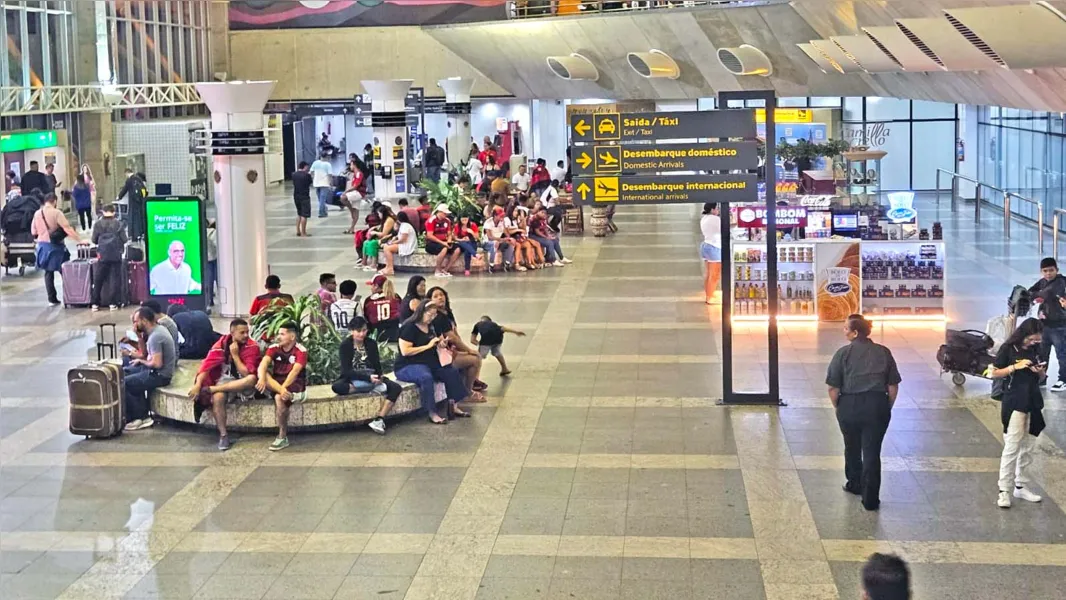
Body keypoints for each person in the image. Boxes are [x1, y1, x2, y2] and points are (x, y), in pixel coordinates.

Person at [825, 314, 901, 511]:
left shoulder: (843, 354)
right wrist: (886, 406)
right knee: (872, 451)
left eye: (845, 329)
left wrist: (839, 407)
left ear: (855, 332)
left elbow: (833, 387)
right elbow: (892, 385)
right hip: (877, 404)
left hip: (849, 405)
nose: (844, 331)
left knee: (851, 446)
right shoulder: (883, 352)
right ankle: (871, 499)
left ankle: (854, 483)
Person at [987, 317, 1047, 508]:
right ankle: (1004, 490)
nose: (1033, 343)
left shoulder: (1036, 349)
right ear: (1024, 335)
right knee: (1012, 446)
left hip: (1033, 401)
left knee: (1028, 446)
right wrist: (1014, 367)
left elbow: (1042, 376)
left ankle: (1020, 485)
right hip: (1015, 401)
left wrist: (1039, 371)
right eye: (1031, 340)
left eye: (1036, 341)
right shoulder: (1008, 349)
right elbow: (992, 373)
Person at [188, 318, 261, 451]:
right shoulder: (221, 343)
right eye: (242, 333)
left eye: (247, 332)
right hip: (226, 380)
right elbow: (206, 366)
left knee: (251, 379)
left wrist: (235, 356)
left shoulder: (252, 346)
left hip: (243, 383)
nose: (246, 335)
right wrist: (198, 385)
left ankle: (213, 389)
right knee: (217, 398)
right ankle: (223, 435)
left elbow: (246, 373)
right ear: (232, 333)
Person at [395, 299, 471, 424]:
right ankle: (431, 412)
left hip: (430, 362)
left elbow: (437, 340)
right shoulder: (409, 327)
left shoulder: (431, 326)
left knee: (451, 372)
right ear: (421, 312)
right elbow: (405, 351)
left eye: (434, 315)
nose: (431, 318)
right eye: (429, 315)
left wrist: (441, 344)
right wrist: (428, 346)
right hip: (409, 364)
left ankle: (454, 404)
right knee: (426, 377)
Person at [332, 316, 404, 435]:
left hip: (371, 375)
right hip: (354, 377)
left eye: (364, 330)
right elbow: (346, 370)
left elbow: (376, 364)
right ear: (352, 331)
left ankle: (379, 419)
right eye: (358, 331)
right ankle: (368, 388)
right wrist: (367, 379)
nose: (361, 334)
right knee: (337, 387)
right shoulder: (345, 345)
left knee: (396, 388)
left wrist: (379, 376)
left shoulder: (371, 343)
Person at [123, 307, 177, 431]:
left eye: (136, 321)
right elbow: (145, 354)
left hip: (160, 375)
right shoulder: (155, 331)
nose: (134, 325)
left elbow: (157, 364)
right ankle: (141, 411)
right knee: (125, 372)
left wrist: (141, 361)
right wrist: (138, 336)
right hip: (154, 370)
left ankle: (139, 417)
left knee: (125, 383)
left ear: (145, 320)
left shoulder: (156, 337)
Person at [257, 322, 308, 451]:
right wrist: (262, 378)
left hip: (293, 383)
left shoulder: (301, 350)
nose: (278, 337)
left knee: (279, 398)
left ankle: (282, 436)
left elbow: (295, 372)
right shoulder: (274, 348)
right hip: (277, 383)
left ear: (292, 337)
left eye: (282, 334)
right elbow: (263, 363)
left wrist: (282, 389)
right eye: (278, 333)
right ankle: (289, 395)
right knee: (264, 374)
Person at [427, 286, 486, 398]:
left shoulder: (447, 313)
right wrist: (468, 350)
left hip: (451, 351)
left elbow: (456, 335)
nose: (440, 297)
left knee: (474, 356)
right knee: (475, 360)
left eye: (441, 294)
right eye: (435, 296)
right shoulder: (438, 317)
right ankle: (467, 392)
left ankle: (470, 384)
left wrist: (465, 350)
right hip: (442, 357)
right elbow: (452, 338)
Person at [31, 192, 81, 306]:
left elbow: (33, 232)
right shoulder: (57, 212)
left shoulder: (37, 213)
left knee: (48, 273)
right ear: (55, 201)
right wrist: (79, 240)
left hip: (43, 246)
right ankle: (72, 297)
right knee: (65, 271)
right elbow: (67, 228)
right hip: (56, 247)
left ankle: (52, 299)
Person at [1028, 257, 1066, 391]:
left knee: (1062, 353)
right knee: (1042, 353)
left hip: (1059, 326)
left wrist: (1035, 296)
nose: (1048, 273)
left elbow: (1046, 294)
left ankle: (1063, 379)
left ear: (1057, 270)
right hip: (1044, 325)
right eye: (1045, 271)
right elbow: (1031, 291)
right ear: (1041, 272)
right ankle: (1042, 377)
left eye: (1051, 270)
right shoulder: (1043, 281)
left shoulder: (1060, 282)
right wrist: (1032, 295)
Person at [90, 204, 128, 312]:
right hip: (116, 255)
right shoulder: (118, 224)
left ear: (103, 212)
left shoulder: (98, 224)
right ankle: (113, 303)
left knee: (98, 279)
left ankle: (95, 303)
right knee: (114, 279)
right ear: (114, 212)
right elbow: (124, 240)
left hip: (102, 255)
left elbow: (94, 240)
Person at [425, 204, 462, 278]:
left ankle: (446, 269)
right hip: (432, 243)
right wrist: (443, 243)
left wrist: (449, 240)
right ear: (439, 212)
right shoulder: (431, 221)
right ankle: (437, 270)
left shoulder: (447, 221)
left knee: (457, 249)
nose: (446, 215)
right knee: (444, 249)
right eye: (444, 213)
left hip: (445, 241)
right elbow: (429, 235)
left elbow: (449, 233)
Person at [363, 274, 401, 342]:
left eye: (372, 285)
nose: (371, 288)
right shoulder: (396, 297)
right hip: (395, 335)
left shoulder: (369, 300)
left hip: (376, 337)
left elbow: (366, 318)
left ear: (376, 286)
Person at [379, 211, 418, 276]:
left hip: (407, 246)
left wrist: (393, 242)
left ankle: (390, 269)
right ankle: (387, 266)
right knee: (385, 246)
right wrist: (395, 238)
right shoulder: (404, 225)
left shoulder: (405, 226)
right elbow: (400, 235)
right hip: (404, 244)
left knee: (387, 249)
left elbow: (403, 239)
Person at [361, 204, 396, 271]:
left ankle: (374, 264)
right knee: (366, 242)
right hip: (383, 238)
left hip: (388, 238)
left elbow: (384, 234)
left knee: (373, 243)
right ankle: (364, 261)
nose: (379, 216)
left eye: (379, 214)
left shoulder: (389, 220)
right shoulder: (384, 220)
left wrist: (374, 233)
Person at [700, 202, 722, 305]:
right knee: (715, 275)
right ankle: (710, 297)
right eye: (717, 208)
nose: (718, 211)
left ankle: (709, 294)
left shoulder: (704, 218)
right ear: (712, 209)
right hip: (715, 247)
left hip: (706, 246)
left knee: (709, 273)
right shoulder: (715, 219)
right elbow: (724, 228)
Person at [481, 206, 516, 272]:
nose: (502, 218)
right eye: (500, 216)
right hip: (487, 243)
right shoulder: (488, 223)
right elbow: (490, 238)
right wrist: (502, 240)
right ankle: (491, 265)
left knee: (510, 244)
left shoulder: (502, 222)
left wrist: (510, 239)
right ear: (495, 216)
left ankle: (507, 264)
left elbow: (506, 233)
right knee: (494, 243)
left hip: (498, 241)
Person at [117, 169, 147, 240]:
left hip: (133, 202)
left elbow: (124, 189)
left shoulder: (129, 180)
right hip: (140, 201)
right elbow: (144, 190)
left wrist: (119, 196)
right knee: (139, 217)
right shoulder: (139, 179)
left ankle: (134, 234)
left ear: (127, 173)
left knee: (133, 218)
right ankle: (141, 233)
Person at [292, 161, 313, 237]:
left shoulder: (294, 175)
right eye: (307, 167)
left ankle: (298, 230)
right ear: (304, 166)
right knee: (304, 215)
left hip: (296, 196)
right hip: (305, 196)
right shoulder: (307, 175)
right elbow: (310, 183)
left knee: (299, 213)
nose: (308, 168)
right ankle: (303, 232)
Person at [310, 153, 333, 219]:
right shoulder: (328, 164)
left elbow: (311, 172)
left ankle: (324, 210)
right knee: (322, 199)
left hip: (316, 183)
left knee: (320, 199)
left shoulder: (315, 163)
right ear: (327, 157)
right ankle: (321, 213)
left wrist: (313, 178)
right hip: (324, 184)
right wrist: (331, 183)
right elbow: (330, 175)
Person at [205, 220, 218, 312]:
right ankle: (211, 299)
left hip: (207, 259)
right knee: (216, 278)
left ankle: (210, 299)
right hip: (214, 259)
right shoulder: (213, 232)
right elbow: (217, 244)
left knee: (209, 280)